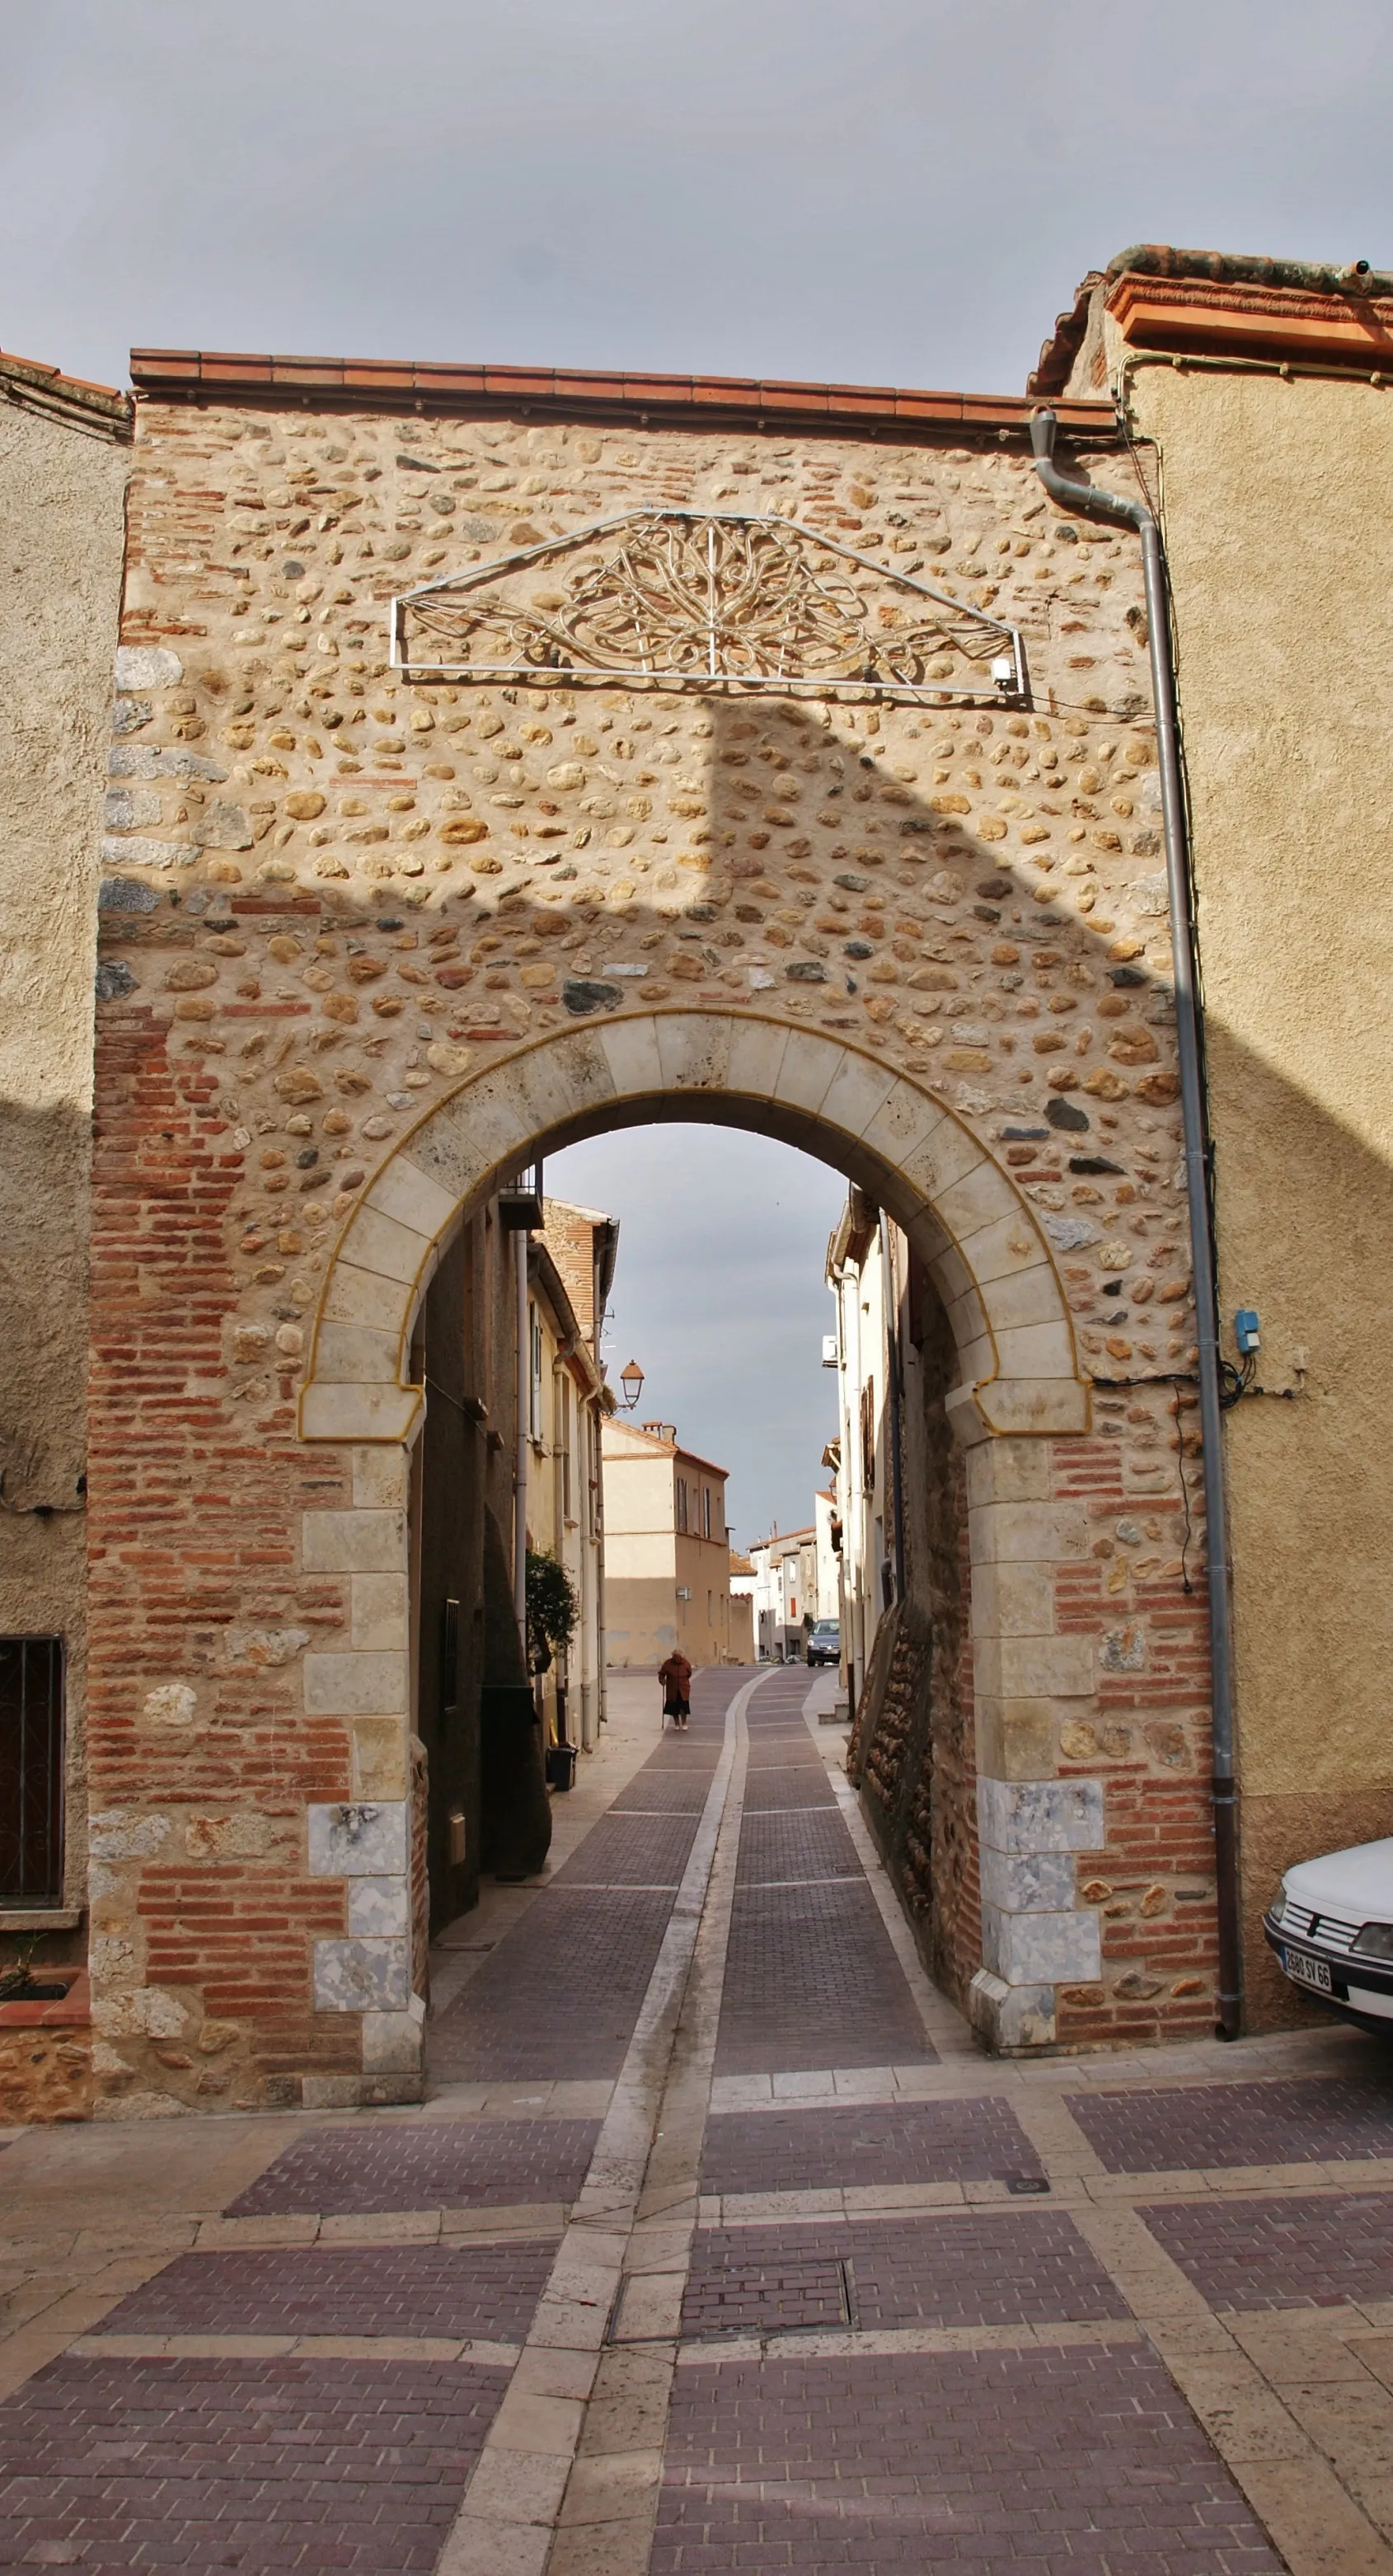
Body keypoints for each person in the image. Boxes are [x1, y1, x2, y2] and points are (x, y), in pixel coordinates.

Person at [659, 1647, 692, 1730]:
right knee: (674, 1707)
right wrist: (662, 1681)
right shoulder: (668, 1663)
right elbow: (662, 1673)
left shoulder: (685, 1663)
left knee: (683, 1707)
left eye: (678, 1656)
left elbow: (689, 1673)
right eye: (674, 1656)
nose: (676, 1658)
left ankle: (684, 1723)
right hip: (672, 1689)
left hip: (683, 1689)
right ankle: (677, 1724)